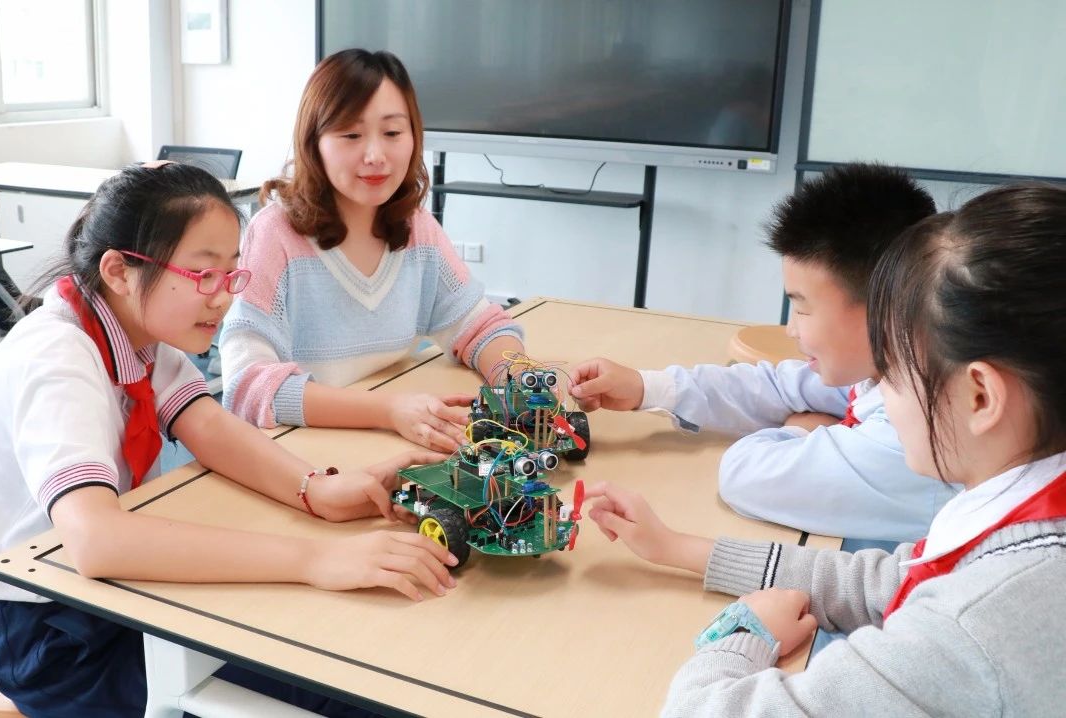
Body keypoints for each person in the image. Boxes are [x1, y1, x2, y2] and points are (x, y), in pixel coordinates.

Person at [0, 162, 457, 718]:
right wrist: (316, 558)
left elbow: (208, 427)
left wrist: (316, 490)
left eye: (231, 274)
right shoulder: (57, 359)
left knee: (329, 643)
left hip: (107, 598)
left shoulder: (133, 331)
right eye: (204, 274)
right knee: (337, 685)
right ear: (119, 270)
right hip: (52, 635)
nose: (223, 298)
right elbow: (97, 541)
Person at [587, 183, 1066, 715]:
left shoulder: (975, 625)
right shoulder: (1027, 525)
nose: (877, 390)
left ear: (981, 397)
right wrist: (674, 548)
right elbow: (885, 581)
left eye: (895, 370)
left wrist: (741, 634)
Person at [569, 164, 946, 541]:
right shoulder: (900, 364)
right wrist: (645, 387)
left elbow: (745, 475)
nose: (791, 329)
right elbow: (780, 385)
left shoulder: (912, 437)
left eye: (802, 309)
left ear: (882, 310)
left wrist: (802, 431)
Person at [220, 49, 525, 453]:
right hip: (302, 453)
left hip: (388, 445)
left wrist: (520, 382)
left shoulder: (416, 229)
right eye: (351, 135)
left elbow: (480, 326)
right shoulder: (275, 234)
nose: (376, 156)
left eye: (393, 133)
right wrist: (387, 410)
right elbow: (246, 386)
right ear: (314, 142)